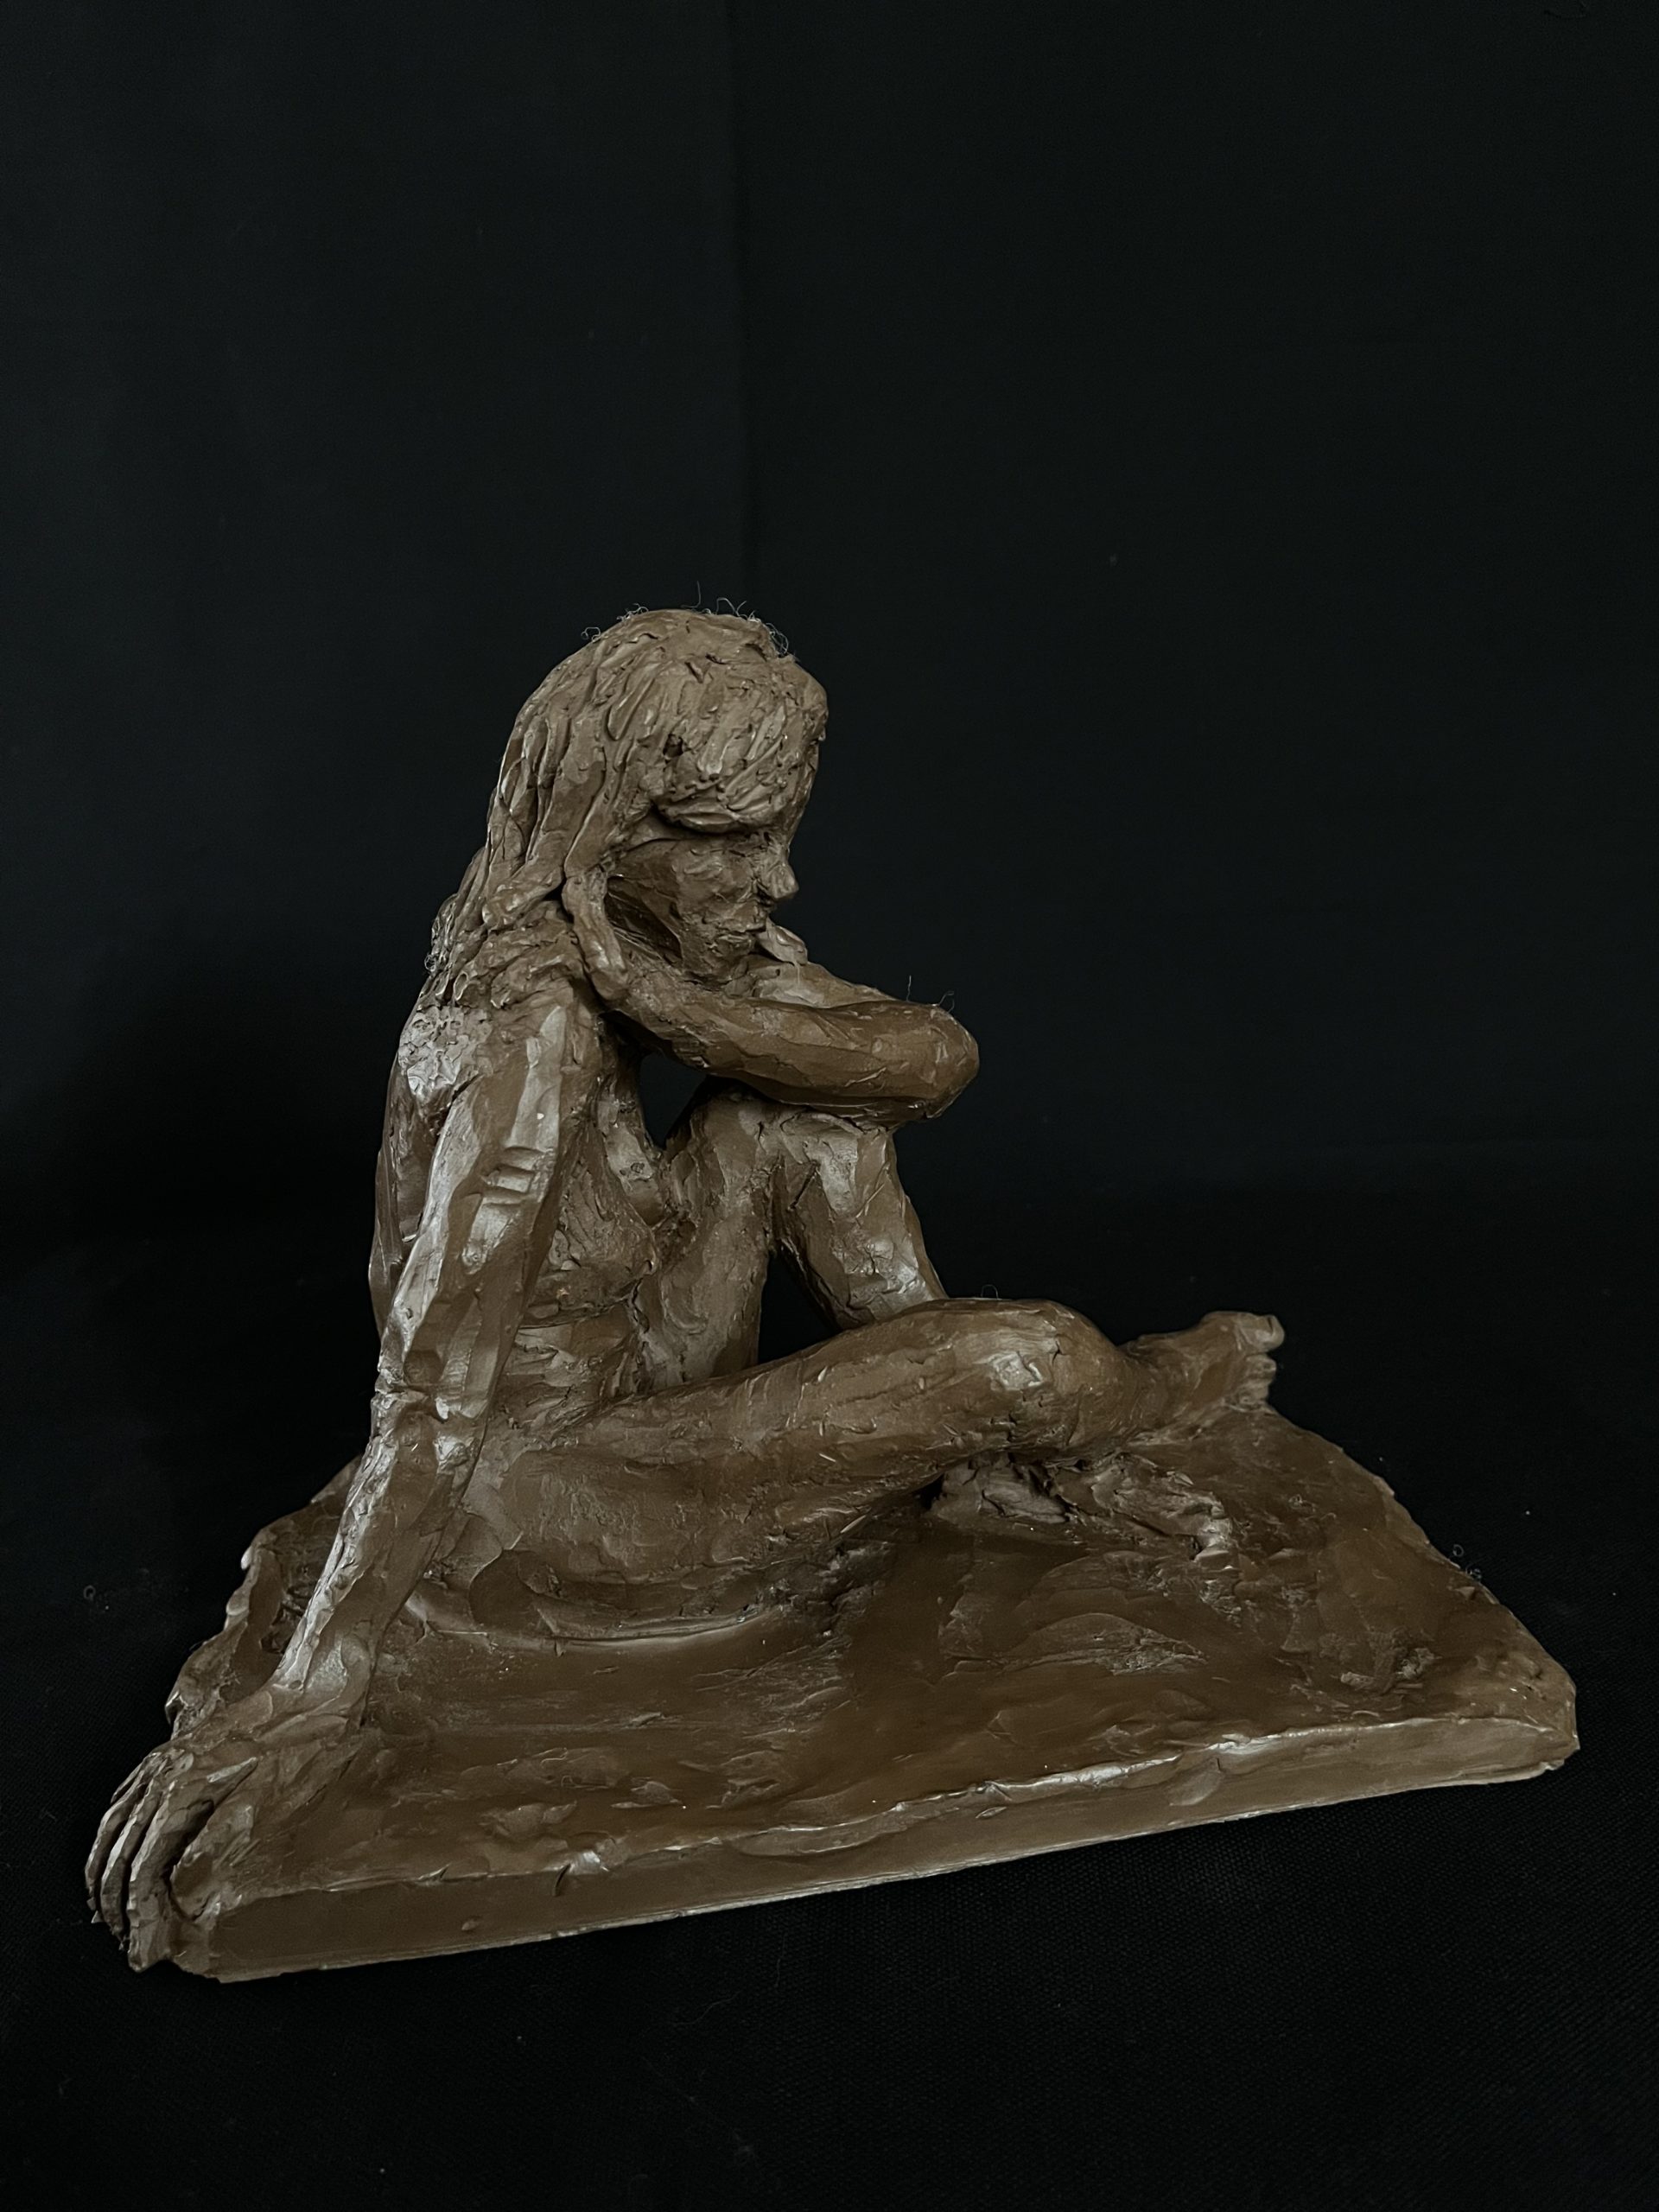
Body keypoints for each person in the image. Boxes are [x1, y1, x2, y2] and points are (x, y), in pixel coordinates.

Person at [89, 608, 1277, 1964]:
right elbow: (429, 1393)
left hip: (629, 1391)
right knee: (1029, 1358)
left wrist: (679, 1012)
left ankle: (975, 1462)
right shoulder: (528, 1028)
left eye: (779, 834)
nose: (777, 879)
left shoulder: (631, 950)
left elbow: (930, 1060)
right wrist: (315, 1687)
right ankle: (1133, 1396)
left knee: (799, 1111)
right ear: (607, 831)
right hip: (539, 1510)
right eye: (734, 839)